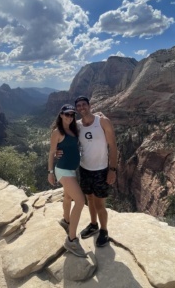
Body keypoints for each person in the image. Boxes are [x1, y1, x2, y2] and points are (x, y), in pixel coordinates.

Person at [74, 96, 117, 247]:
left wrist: (112, 169)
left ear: (89, 105)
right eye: (78, 106)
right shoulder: (78, 125)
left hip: (101, 169)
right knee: (90, 199)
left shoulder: (102, 122)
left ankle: (104, 231)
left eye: (83, 104)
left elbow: (113, 146)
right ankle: (94, 225)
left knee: (100, 204)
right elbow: (63, 135)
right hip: (85, 168)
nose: (81, 107)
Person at [47, 104, 87, 257]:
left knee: (69, 197)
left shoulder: (74, 128)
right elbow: (51, 153)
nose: (69, 117)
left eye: (72, 115)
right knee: (80, 201)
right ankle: (71, 240)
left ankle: (66, 220)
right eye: (67, 114)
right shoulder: (57, 132)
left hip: (71, 170)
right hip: (62, 170)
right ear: (61, 115)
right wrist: (50, 172)